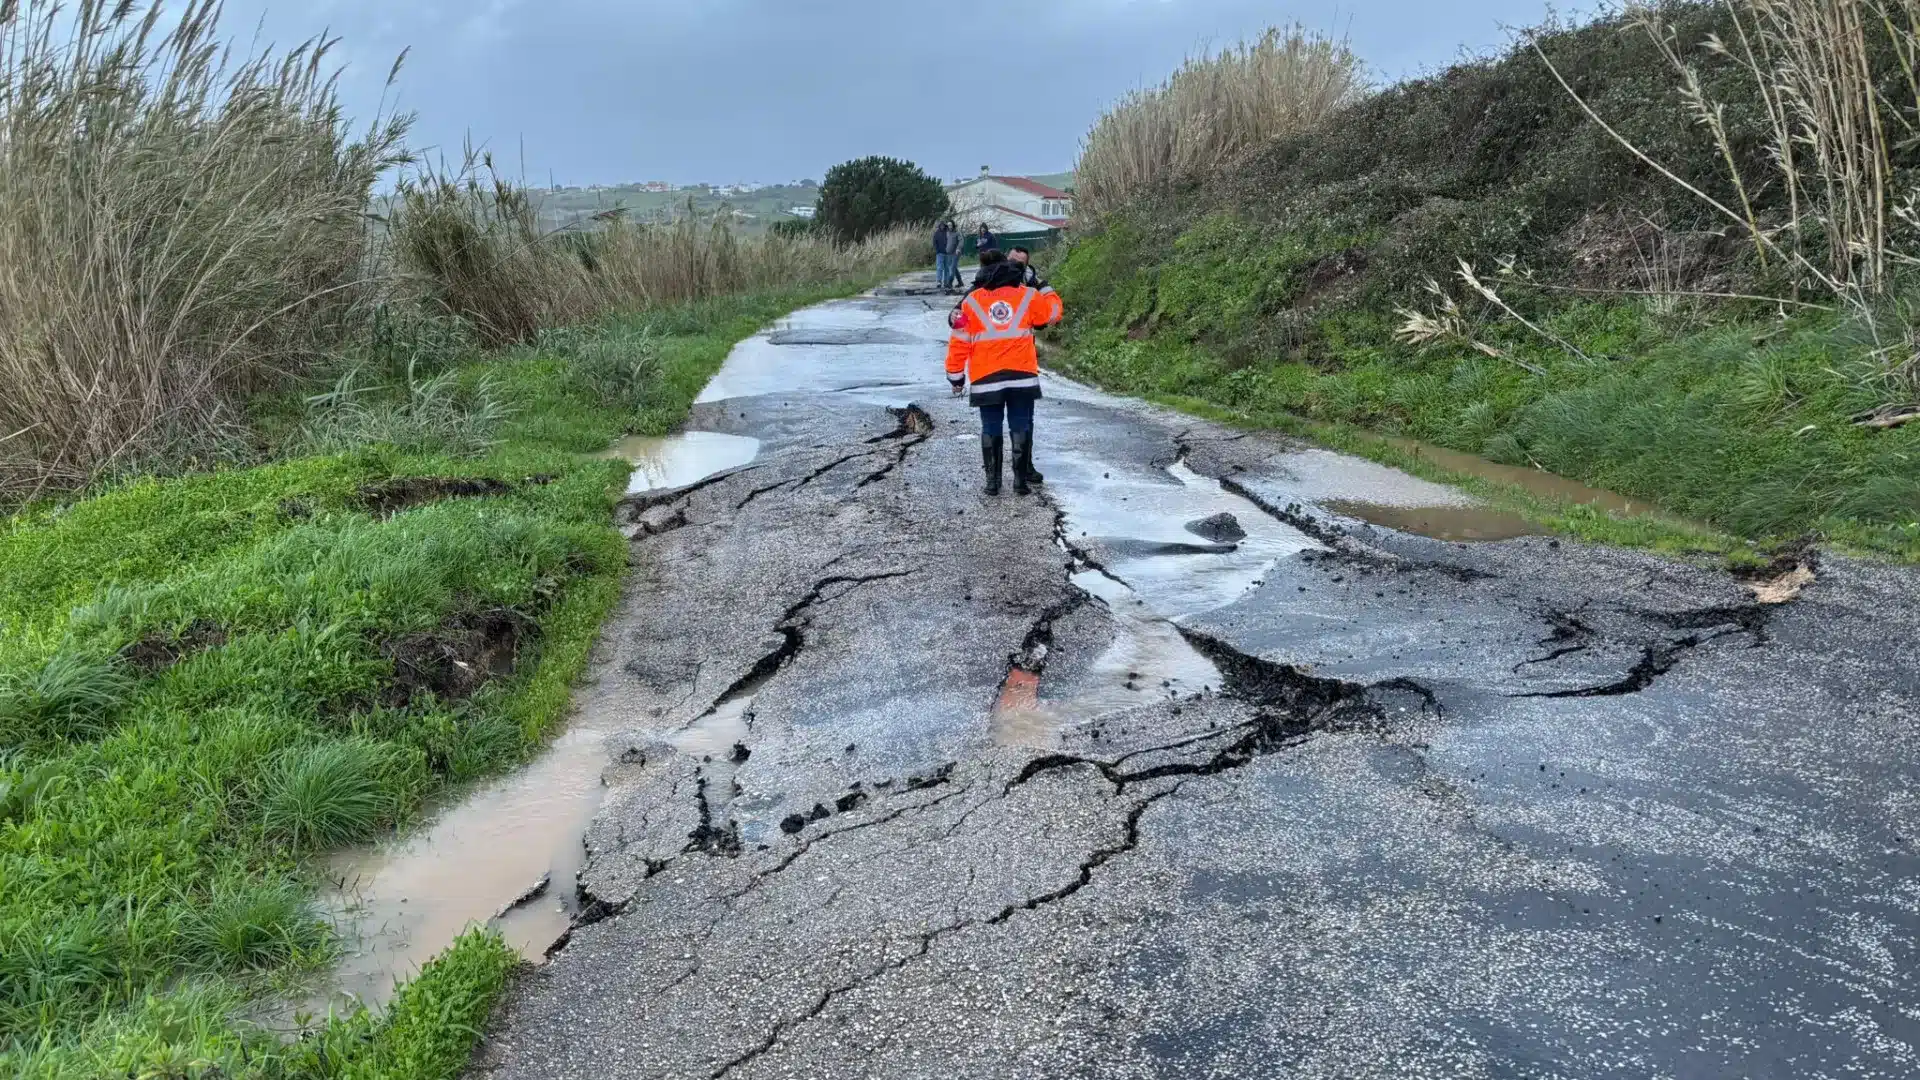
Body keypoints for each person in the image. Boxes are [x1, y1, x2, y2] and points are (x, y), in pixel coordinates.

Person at [945, 251, 1064, 496]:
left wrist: (956, 377)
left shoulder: (971, 301)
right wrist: (1045, 288)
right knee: (1020, 425)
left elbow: (959, 341)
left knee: (991, 427)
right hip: (1022, 376)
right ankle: (1020, 483)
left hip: (986, 378)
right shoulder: (1028, 296)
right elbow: (1052, 315)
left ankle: (993, 484)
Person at [932, 221, 955, 293]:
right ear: (939, 226)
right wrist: (937, 250)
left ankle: (946, 282)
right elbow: (934, 242)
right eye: (941, 225)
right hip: (939, 253)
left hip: (947, 253)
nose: (942, 226)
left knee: (947, 268)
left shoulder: (948, 233)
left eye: (943, 225)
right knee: (939, 268)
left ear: (945, 226)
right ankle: (939, 282)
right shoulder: (936, 233)